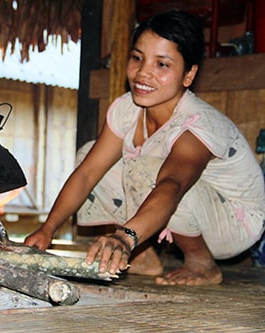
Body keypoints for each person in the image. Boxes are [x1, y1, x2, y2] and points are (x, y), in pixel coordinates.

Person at [24, 10, 265, 286]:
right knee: (89, 155)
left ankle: (201, 263)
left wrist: (124, 237)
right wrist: (48, 228)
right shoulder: (127, 109)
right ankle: (144, 255)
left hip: (233, 223)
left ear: (188, 75)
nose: (143, 73)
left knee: (147, 171)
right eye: (137, 58)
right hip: (180, 203)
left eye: (162, 65)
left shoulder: (197, 123)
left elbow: (172, 183)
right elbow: (88, 173)